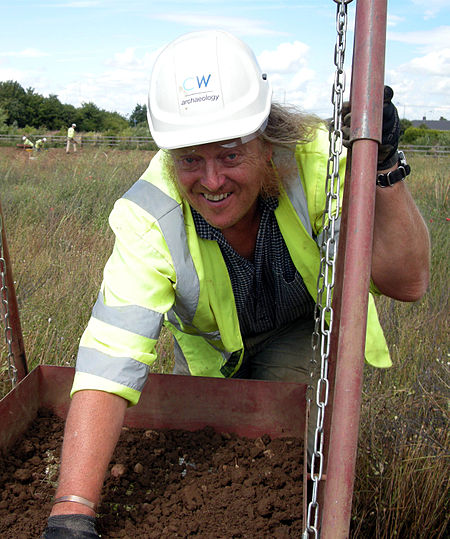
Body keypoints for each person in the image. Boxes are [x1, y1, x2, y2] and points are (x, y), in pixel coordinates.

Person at [42, 30, 430, 538]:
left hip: (296, 328)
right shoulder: (148, 215)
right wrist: (72, 510)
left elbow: (408, 281)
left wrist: (381, 168)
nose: (211, 180)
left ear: (266, 141)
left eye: (229, 155)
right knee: (212, 454)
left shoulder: (318, 164)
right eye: (188, 159)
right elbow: (110, 359)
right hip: (211, 348)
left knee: (284, 453)